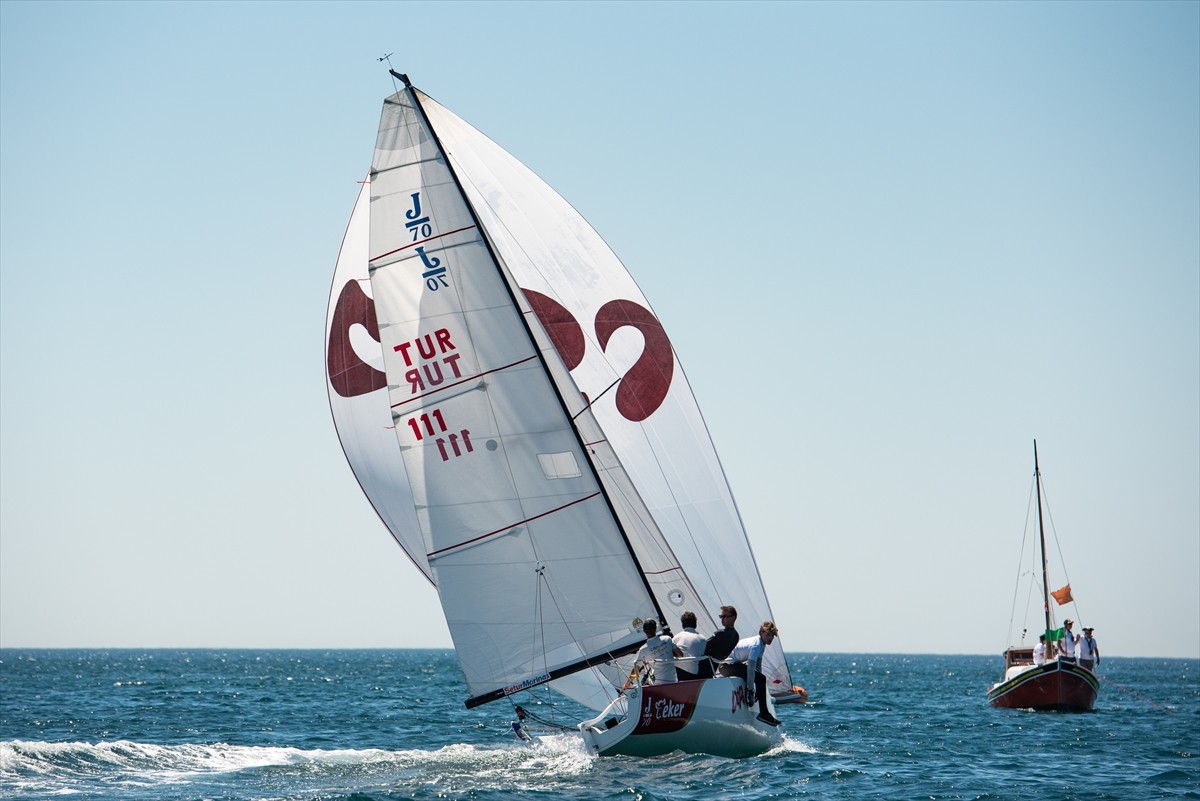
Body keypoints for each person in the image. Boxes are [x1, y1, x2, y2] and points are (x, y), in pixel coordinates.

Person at [725, 620, 782, 727]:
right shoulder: (756, 646)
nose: (770, 638)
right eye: (768, 635)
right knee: (761, 678)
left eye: (772, 636)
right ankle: (764, 713)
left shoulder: (762, 644)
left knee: (761, 678)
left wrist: (757, 686)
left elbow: (757, 668)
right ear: (761, 632)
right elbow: (751, 669)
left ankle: (764, 712)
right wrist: (751, 690)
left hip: (733, 665)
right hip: (726, 667)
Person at [630, 619, 683, 685]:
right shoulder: (667, 639)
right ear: (656, 628)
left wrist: (628, 682)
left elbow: (636, 669)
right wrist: (666, 652)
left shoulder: (643, 649)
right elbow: (680, 655)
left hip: (657, 684)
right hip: (673, 681)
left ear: (644, 631)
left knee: (645, 683)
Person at [698, 605, 739, 679]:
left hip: (702, 668)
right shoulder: (736, 635)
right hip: (713, 668)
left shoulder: (720, 634)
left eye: (725, 616)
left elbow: (703, 647)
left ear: (733, 618)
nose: (722, 619)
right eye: (721, 616)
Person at [672, 611, 707, 680]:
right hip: (693, 672)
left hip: (677, 672)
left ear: (682, 625)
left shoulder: (677, 636)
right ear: (695, 624)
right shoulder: (703, 639)